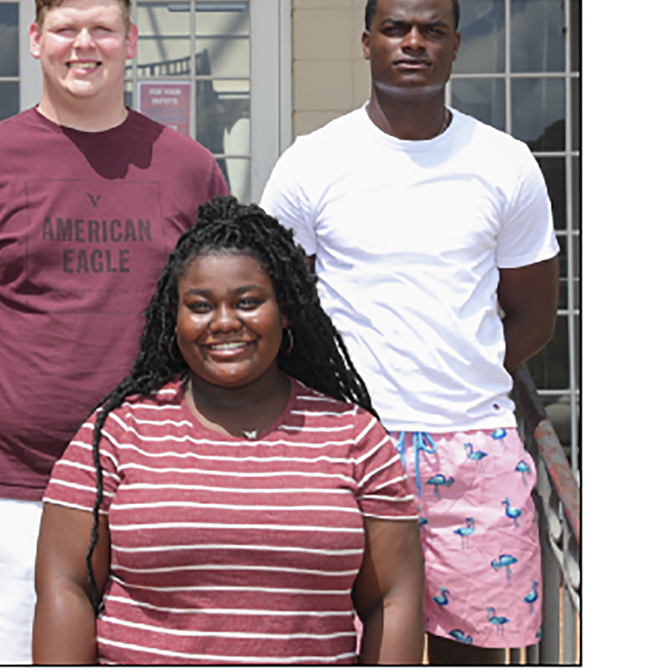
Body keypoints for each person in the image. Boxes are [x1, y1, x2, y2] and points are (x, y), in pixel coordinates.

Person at [0, 0, 230, 663]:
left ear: (131, 41)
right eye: (65, 29)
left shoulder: (188, 167)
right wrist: (12, 373)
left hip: (156, 478)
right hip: (11, 487)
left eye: (102, 29)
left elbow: (215, 307)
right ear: (35, 39)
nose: (84, 45)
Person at [259, 0, 559, 664]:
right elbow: (278, 307)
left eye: (433, 30)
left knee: (473, 654)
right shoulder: (313, 163)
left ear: (455, 46)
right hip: (350, 444)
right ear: (367, 42)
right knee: (346, 645)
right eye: (396, 29)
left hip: (475, 445)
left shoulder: (506, 164)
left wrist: (456, 366)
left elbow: (534, 317)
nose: (414, 43)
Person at [34, 196, 425, 664]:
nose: (223, 322)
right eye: (200, 306)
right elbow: (66, 585)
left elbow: (393, 597)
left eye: (248, 302)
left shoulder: (354, 437)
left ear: (285, 310)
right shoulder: (117, 432)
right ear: (173, 317)